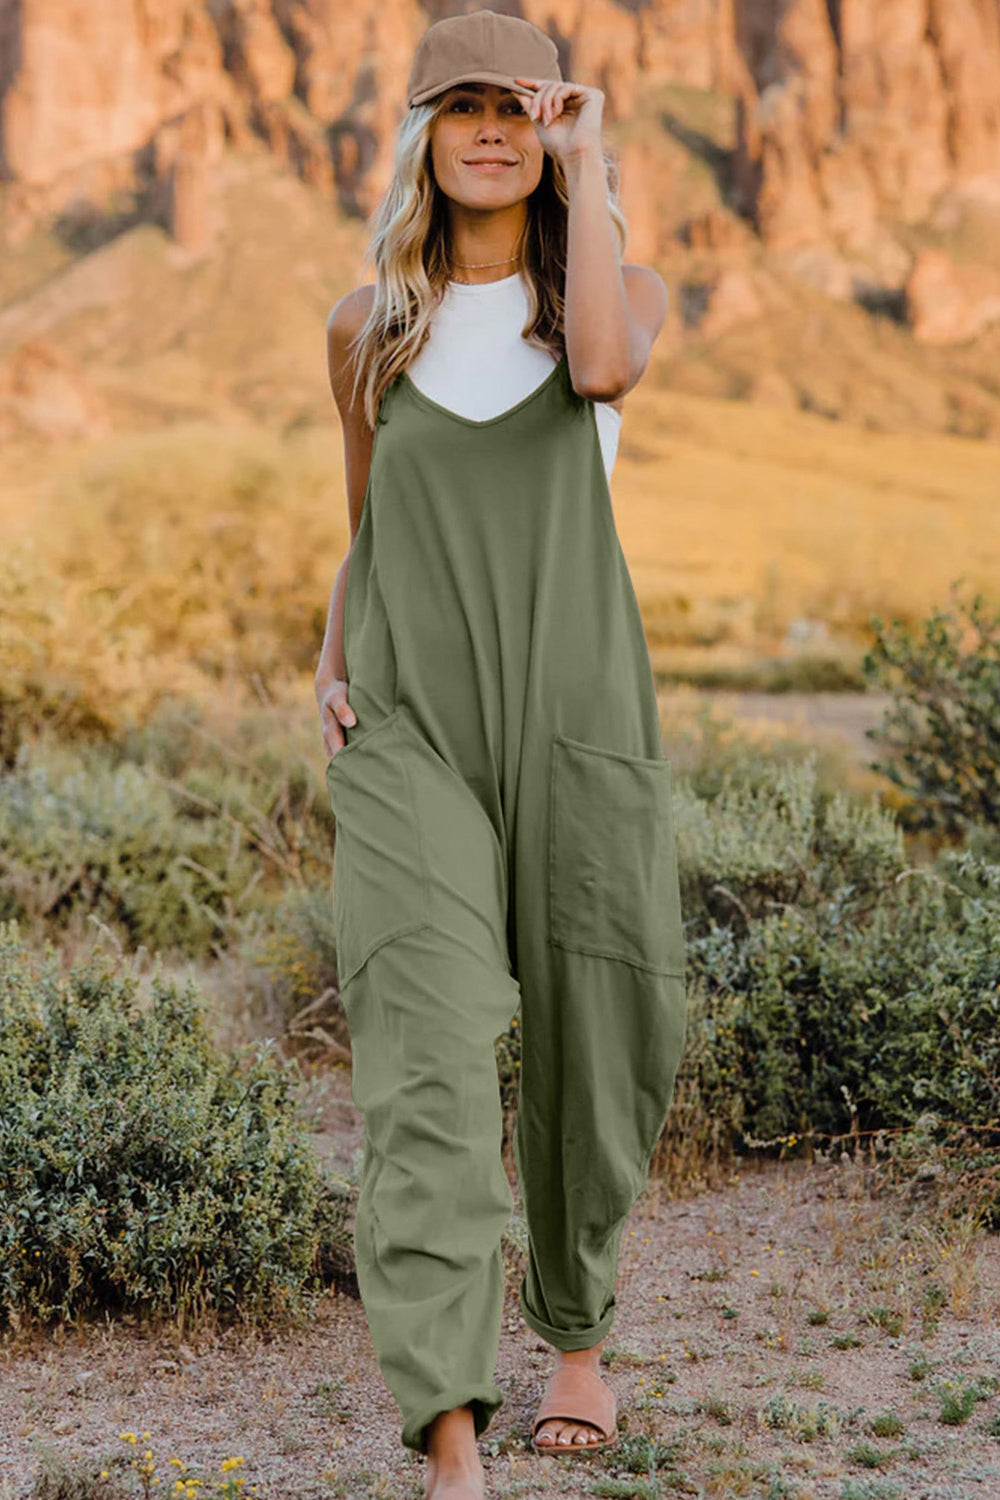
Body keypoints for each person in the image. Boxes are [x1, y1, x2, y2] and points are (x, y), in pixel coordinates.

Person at [315, 10, 688, 1498]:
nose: (488, 129)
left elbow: (600, 371)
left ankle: (578, 1337)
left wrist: (588, 167)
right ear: (419, 135)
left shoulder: (617, 292)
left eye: (515, 107)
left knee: (602, 1033)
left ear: (552, 127)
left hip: (578, 705)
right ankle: (450, 1432)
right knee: (425, 1059)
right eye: (456, 106)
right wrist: (329, 663)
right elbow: (366, 529)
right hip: (409, 724)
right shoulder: (368, 326)